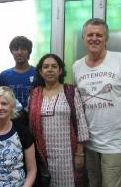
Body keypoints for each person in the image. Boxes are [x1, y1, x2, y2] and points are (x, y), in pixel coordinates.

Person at [72, 18, 121, 187]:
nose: (94, 38)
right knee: (93, 183)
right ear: (84, 38)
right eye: (90, 34)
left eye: (99, 35)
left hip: (115, 142)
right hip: (90, 141)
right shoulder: (77, 66)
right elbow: (79, 104)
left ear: (106, 39)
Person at [28, 54, 89, 187]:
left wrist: (80, 153)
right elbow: (30, 126)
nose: (50, 70)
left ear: (60, 71)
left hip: (67, 155)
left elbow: (81, 123)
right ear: (40, 71)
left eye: (54, 66)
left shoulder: (70, 92)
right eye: (46, 67)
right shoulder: (34, 94)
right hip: (42, 155)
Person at [0, 36, 35, 109]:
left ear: (29, 52)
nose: (19, 52)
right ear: (12, 52)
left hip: (34, 117)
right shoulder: (4, 75)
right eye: (16, 49)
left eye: (23, 49)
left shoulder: (38, 73)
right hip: (11, 118)